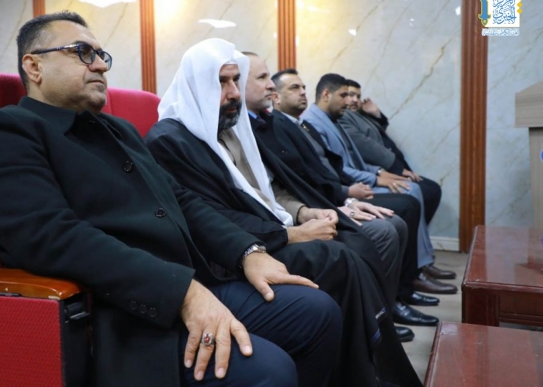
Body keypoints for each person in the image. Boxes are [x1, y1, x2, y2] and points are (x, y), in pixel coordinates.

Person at [0, 11, 342, 387]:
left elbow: (181, 199)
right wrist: (182, 293)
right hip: (122, 313)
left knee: (318, 312)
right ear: (34, 66)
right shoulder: (5, 130)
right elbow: (51, 237)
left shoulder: (119, 130)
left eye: (101, 55)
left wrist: (248, 252)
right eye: (83, 52)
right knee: (269, 370)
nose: (100, 66)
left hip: (192, 281)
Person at [145, 38, 422, 387]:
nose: (233, 93)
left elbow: (266, 193)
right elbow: (208, 217)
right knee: (338, 259)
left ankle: (365, 362)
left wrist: (304, 214)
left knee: (351, 238)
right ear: (196, 84)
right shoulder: (170, 140)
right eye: (221, 82)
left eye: (235, 80)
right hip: (227, 256)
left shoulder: (227, 127)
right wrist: (290, 234)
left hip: (263, 232)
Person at [246, 60, 439, 331]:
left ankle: (394, 298)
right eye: (294, 88)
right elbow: (289, 184)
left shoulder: (295, 124)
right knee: (389, 223)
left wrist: (345, 198)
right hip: (296, 214)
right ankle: (379, 314)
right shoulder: (268, 125)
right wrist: (341, 200)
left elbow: (328, 168)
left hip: (320, 200)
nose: (303, 92)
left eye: (303, 87)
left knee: (405, 207)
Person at [301, 73, 457, 294]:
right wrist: (370, 181)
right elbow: (334, 170)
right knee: (409, 195)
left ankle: (419, 267)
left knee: (416, 190)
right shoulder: (312, 122)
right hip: (348, 188)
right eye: (344, 95)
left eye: (352, 95)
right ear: (326, 94)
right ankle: (412, 276)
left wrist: (380, 173)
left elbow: (353, 157)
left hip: (355, 181)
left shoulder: (332, 118)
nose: (348, 101)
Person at [341, 80, 445, 249]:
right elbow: (368, 147)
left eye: (358, 96)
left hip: (385, 168)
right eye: (349, 95)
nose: (354, 100)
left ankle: (419, 248)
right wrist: (392, 171)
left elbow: (377, 134)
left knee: (432, 189)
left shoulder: (359, 115)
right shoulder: (342, 118)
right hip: (375, 172)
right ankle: (418, 251)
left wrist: (376, 115)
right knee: (416, 193)